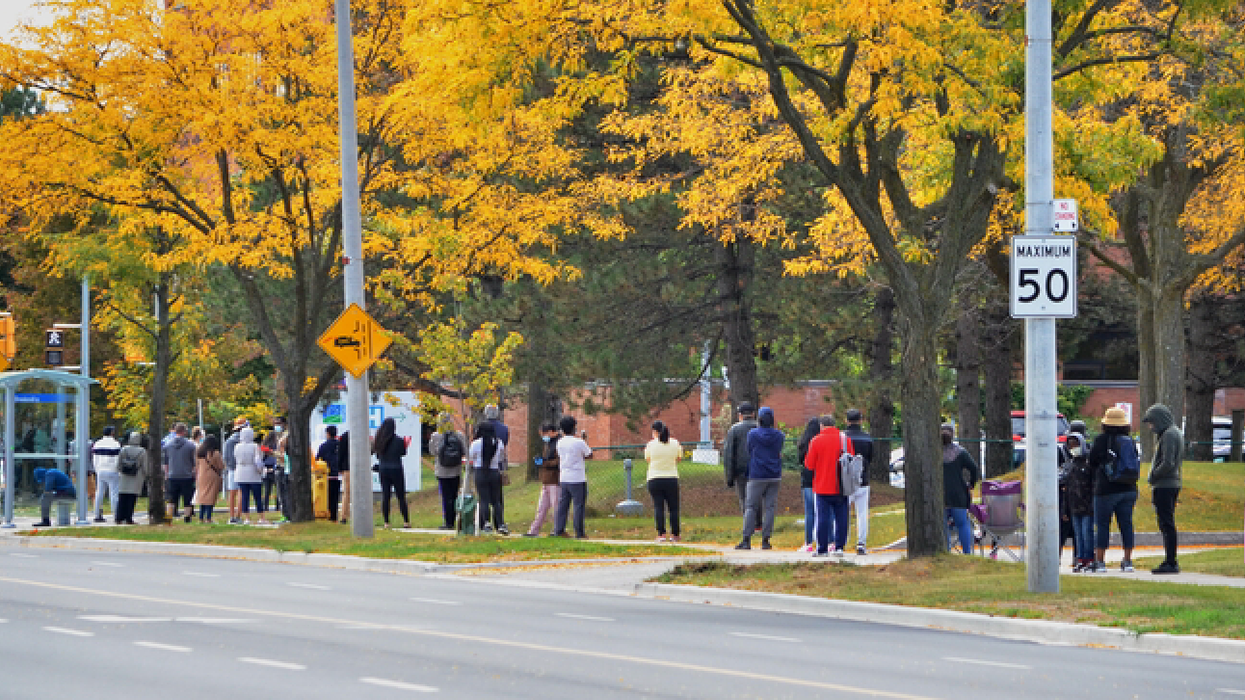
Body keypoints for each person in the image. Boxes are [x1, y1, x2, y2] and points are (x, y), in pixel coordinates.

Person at [1089, 406, 1138, 573]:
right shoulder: (1129, 441)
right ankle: (1127, 560)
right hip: (1129, 488)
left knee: (1102, 525)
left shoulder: (1101, 440)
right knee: (1126, 524)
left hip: (1106, 489)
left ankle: (1100, 561)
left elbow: (1092, 461)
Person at [735, 406, 784, 551]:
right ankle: (766, 540)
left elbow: (749, 450)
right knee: (770, 507)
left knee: (751, 506)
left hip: (757, 474)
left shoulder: (753, 434)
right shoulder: (779, 435)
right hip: (774, 474)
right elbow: (779, 450)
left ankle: (746, 539)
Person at [804, 415, 854, 556]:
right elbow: (852, 460)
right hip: (841, 485)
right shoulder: (845, 440)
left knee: (822, 518)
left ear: (821, 426)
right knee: (841, 517)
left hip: (822, 485)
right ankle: (839, 547)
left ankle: (822, 548)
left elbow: (809, 465)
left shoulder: (816, 441)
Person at [1143, 403, 1184, 574]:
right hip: (1171, 483)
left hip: (1165, 484)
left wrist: (1153, 475)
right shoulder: (1174, 432)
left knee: (1166, 523)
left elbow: (1168, 462)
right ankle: (1170, 560)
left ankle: (1170, 561)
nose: (1151, 427)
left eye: (1152, 422)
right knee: (1166, 522)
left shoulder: (1169, 435)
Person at [553, 415, 592, 539]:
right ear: (574, 428)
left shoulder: (560, 443)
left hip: (564, 477)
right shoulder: (579, 442)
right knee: (578, 505)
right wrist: (585, 440)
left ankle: (559, 529)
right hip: (577, 477)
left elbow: (560, 456)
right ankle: (579, 532)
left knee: (563, 505)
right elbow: (589, 454)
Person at [941, 423, 979, 554]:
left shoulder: (934, 453)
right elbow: (974, 468)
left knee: (943, 525)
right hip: (959, 494)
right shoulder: (960, 452)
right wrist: (972, 483)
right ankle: (967, 553)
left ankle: (946, 552)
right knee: (963, 524)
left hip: (941, 494)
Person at [428, 414, 468, 531]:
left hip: (442, 471)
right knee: (455, 495)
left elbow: (432, 452)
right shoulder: (459, 435)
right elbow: (465, 450)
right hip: (456, 470)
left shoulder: (436, 436)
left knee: (446, 497)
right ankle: (456, 518)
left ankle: (448, 522)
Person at [843, 409, 874, 555]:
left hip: (846, 480)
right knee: (862, 513)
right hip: (863, 479)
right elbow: (870, 458)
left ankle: (841, 541)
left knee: (843, 512)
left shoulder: (842, 438)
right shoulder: (867, 438)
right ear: (860, 420)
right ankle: (861, 543)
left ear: (847, 421)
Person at [645, 420, 682, 543]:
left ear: (655, 432)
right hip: (671, 477)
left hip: (654, 478)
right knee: (673, 508)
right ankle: (675, 534)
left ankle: (661, 534)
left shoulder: (650, 444)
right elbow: (679, 458)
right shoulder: (675, 443)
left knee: (658, 507)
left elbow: (648, 459)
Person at [373, 417, 411, 529]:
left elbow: (378, 455)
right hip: (397, 469)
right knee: (401, 496)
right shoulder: (399, 440)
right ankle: (406, 521)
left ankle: (386, 522)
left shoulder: (379, 440)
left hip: (383, 469)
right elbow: (403, 453)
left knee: (386, 496)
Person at [1065, 432, 1096, 572]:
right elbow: (1068, 488)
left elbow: (1094, 484)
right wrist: (1065, 509)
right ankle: (1080, 559)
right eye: (1070, 445)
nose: (1073, 448)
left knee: (1087, 533)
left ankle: (1089, 559)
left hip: (1087, 506)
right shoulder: (1071, 465)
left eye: (1075, 445)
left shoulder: (1089, 463)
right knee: (1078, 534)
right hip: (1074, 506)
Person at [469, 422, 507, 533]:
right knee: (496, 500)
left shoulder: (476, 443)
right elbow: (501, 458)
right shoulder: (499, 443)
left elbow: (472, 456)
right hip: (494, 471)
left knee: (484, 499)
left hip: (481, 471)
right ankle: (500, 524)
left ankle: (486, 523)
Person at [525, 423, 561, 537]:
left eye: (544, 434)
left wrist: (544, 463)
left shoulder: (559, 443)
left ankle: (557, 529)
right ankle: (533, 530)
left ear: (550, 431)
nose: (543, 437)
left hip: (555, 479)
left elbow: (558, 461)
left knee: (556, 506)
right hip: (546, 479)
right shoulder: (548, 444)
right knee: (542, 507)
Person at [722, 401, 758, 514]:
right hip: (759, 469)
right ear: (753, 414)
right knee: (758, 498)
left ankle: (748, 524)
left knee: (744, 499)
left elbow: (729, 454)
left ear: (740, 415)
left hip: (741, 470)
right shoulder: (760, 427)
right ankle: (758, 524)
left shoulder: (734, 430)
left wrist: (729, 476)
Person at [162, 422, 198, 524]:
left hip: (172, 475)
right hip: (186, 475)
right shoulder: (190, 445)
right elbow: (194, 462)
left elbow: (166, 463)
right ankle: (187, 518)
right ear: (183, 431)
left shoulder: (167, 445)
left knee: (171, 498)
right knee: (187, 498)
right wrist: (194, 474)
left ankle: (168, 518)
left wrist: (166, 475)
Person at [795, 418, 821, 553]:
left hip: (807, 479)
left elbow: (800, 460)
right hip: (820, 478)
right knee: (822, 512)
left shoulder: (804, 443)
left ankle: (808, 542)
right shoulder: (821, 442)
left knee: (809, 512)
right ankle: (825, 541)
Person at [232, 427, 268, 525]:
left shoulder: (237, 446)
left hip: (240, 472)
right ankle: (261, 517)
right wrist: (261, 470)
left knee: (244, 496)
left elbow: (235, 457)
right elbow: (258, 460)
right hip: (253, 472)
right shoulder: (254, 446)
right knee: (257, 497)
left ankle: (246, 518)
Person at [91, 426, 122, 523]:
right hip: (112, 471)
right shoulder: (116, 444)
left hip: (100, 470)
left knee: (99, 493)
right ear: (112, 432)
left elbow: (94, 459)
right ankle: (116, 515)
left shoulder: (97, 444)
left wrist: (97, 469)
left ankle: (97, 514)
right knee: (114, 494)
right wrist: (118, 471)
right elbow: (118, 459)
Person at [115, 432, 148, 525]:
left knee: (122, 498)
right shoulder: (142, 451)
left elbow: (118, 464)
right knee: (132, 498)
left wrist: (120, 471)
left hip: (124, 476)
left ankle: (119, 517)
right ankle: (128, 518)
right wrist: (146, 475)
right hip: (136, 476)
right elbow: (145, 466)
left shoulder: (124, 449)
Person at [193, 435, 225, 523]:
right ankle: (208, 518)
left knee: (202, 497)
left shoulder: (199, 452)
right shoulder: (215, 453)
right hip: (212, 476)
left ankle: (201, 517)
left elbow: (196, 465)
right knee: (211, 497)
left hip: (201, 475)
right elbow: (221, 466)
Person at [316, 426, 342, 522]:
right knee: (335, 497)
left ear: (327, 433)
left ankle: (327, 515)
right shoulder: (340, 445)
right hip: (337, 475)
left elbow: (318, 460)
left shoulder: (323, 446)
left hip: (326, 475)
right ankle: (334, 517)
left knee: (326, 497)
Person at [223, 417, 246, 524]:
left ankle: (231, 516)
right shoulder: (245, 441)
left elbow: (225, 457)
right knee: (241, 492)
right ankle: (238, 515)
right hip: (242, 468)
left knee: (232, 493)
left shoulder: (229, 441)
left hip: (232, 469)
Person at [338, 430, 352, 524]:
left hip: (347, 467)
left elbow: (341, 453)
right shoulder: (363, 434)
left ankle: (344, 516)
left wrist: (339, 467)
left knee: (346, 492)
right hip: (361, 468)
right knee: (361, 492)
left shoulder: (345, 435)